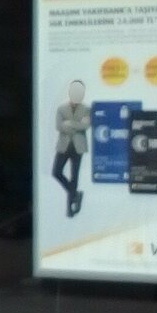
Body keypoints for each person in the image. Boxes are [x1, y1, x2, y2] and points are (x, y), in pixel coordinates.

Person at [53, 80, 90, 217]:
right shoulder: (61, 109)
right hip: (64, 146)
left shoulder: (86, 109)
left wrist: (69, 123)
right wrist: (76, 125)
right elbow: (59, 126)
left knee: (75, 176)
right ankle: (75, 194)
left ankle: (70, 209)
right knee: (56, 172)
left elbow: (85, 126)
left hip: (78, 147)